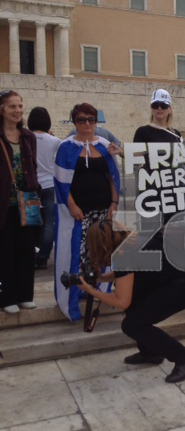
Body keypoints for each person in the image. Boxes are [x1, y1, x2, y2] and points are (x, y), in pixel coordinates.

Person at [76, 219, 185, 383]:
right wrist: (101, 278)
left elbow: (121, 301)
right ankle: (150, 352)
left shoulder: (125, 254)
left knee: (132, 325)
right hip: (181, 278)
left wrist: (91, 290)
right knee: (134, 304)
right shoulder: (134, 240)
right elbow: (125, 276)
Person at [54, 103, 120, 321]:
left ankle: (98, 293)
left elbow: (112, 177)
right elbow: (61, 182)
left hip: (102, 211)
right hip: (79, 213)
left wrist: (114, 202)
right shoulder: (66, 147)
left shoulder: (105, 146)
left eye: (91, 119)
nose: (87, 124)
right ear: (75, 122)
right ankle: (75, 295)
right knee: (78, 254)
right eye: (81, 120)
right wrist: (72, 205)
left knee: (99, 253)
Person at [0, 91, 40, 314]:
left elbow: (32, 166)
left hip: (27, 200)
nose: (17, 110)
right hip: (4, 203)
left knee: (26, 249)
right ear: (2, 110)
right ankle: (7, 297)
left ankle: (25, 295)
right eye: (12, 106)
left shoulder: (28, 136)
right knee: (5, 250)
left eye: (20, 106)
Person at [133, 89, 183, 224]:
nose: (159, 109)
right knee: (150, 230)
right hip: (151, 188)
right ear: (151, 108)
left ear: (170, 109)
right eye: (156, 105)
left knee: (173, 229)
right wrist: (121, 152)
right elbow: (135, 157)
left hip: (172, 188)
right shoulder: (142, 131)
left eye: (163, 105)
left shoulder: (176, 134)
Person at [27, 107, 61, 270]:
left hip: (31, 186)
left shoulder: (25, 138)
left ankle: (30, 253)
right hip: (49, 185)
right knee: (50, 222)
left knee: (30, 222)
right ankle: (43, 256)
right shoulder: (54, 141)